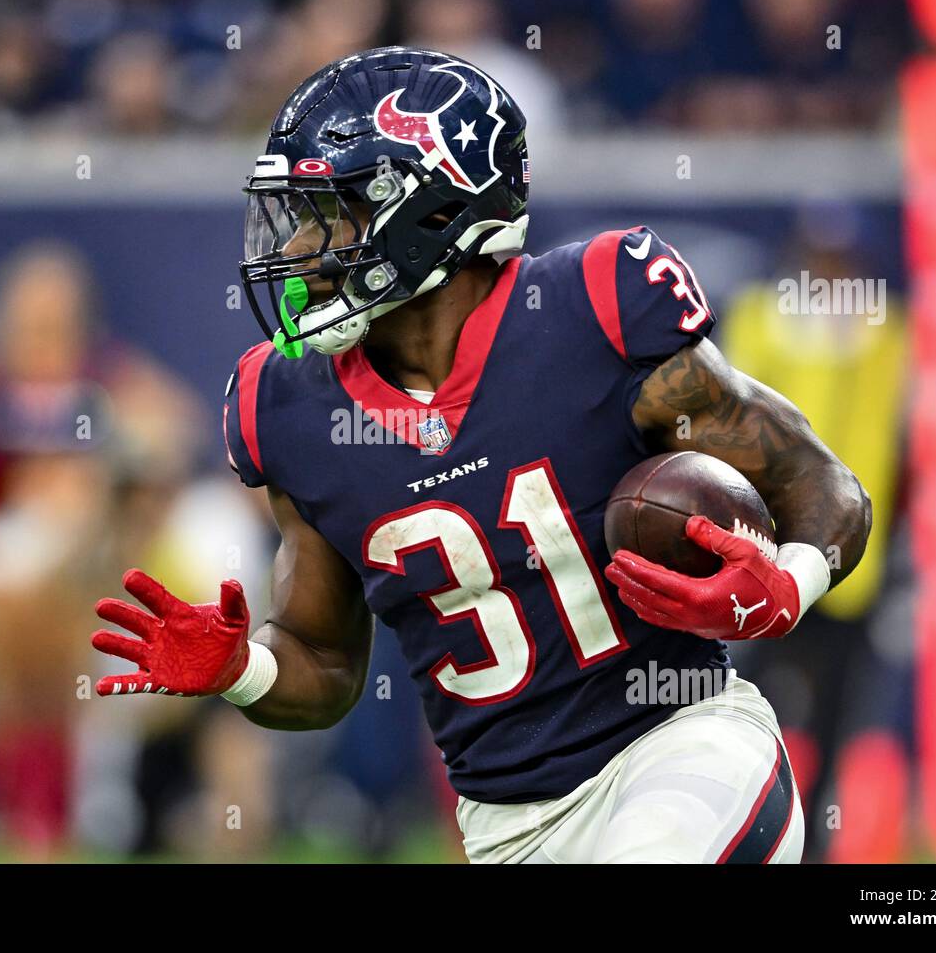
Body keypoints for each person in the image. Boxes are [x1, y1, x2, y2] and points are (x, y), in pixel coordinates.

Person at [91, 47, 872, 864]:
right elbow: (323, 663)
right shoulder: (283, 408)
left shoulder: (594, 309)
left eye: (329, 215)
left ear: (432, 213)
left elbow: (822, 483)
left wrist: (790, 582)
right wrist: (242, 670)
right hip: (504, 825)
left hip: (684, 750)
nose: (297, 252)